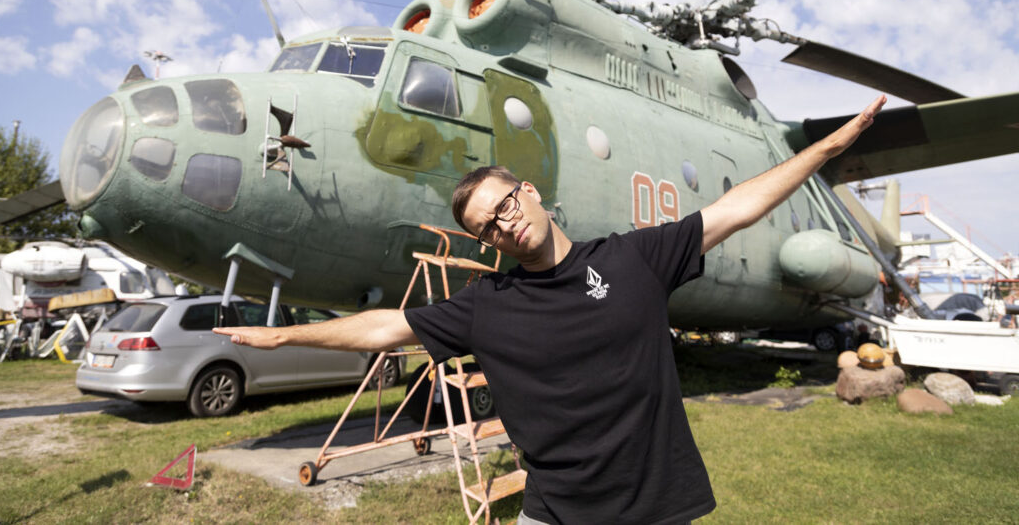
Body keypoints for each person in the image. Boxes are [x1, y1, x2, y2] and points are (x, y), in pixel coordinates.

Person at [215, 95, 887, 524]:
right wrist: (281, 336)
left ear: (530, 193)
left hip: (656, 507)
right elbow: (386, 326)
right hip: (555, 513)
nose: (503, 223)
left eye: (506, 204)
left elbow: (736, 207)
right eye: (487, 226)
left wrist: (824, 152)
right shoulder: (487, 304)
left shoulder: (634, 259)